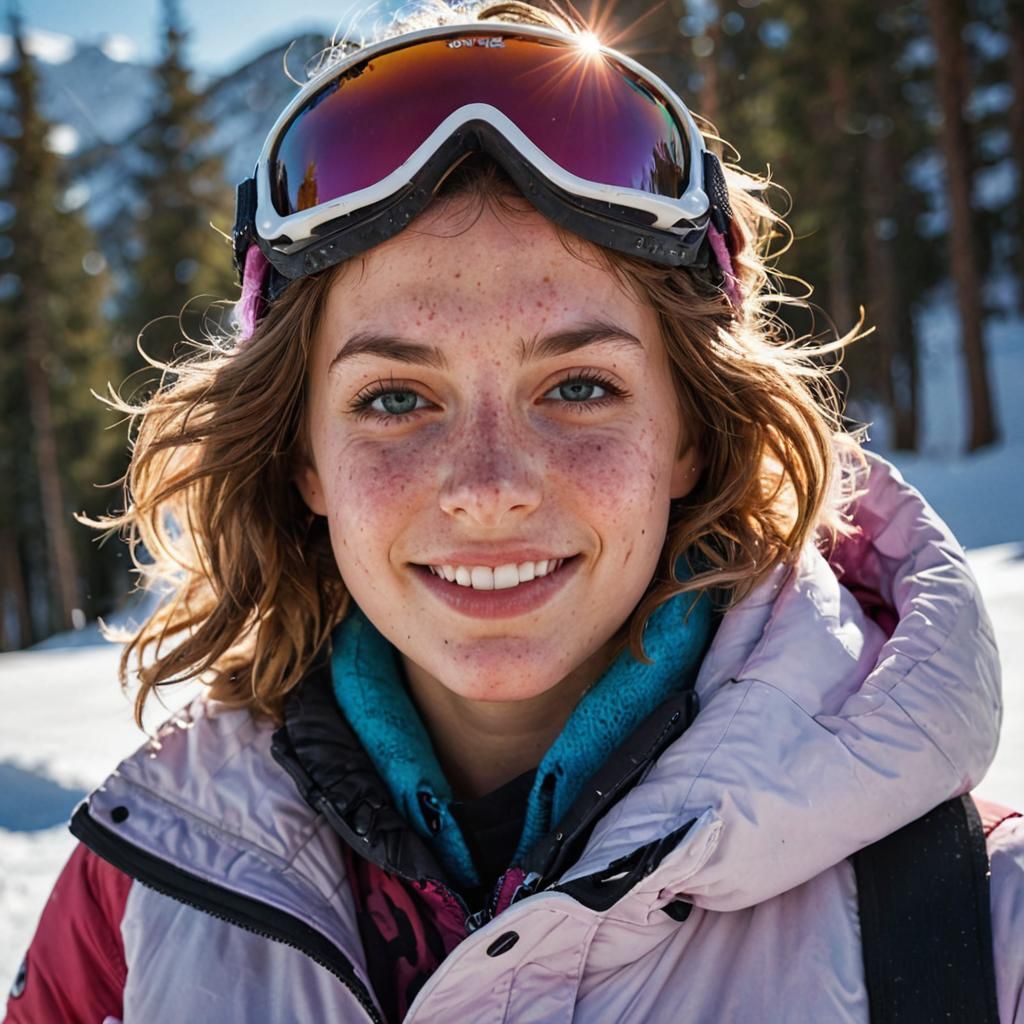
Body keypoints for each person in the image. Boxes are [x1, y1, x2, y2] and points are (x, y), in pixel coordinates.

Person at [5, 2, 1022, 1022]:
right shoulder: (142, 897)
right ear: (302, 455)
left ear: (691, 431)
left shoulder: (985, 922)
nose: (489, 487)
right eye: (394, 400)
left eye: (578, 387)